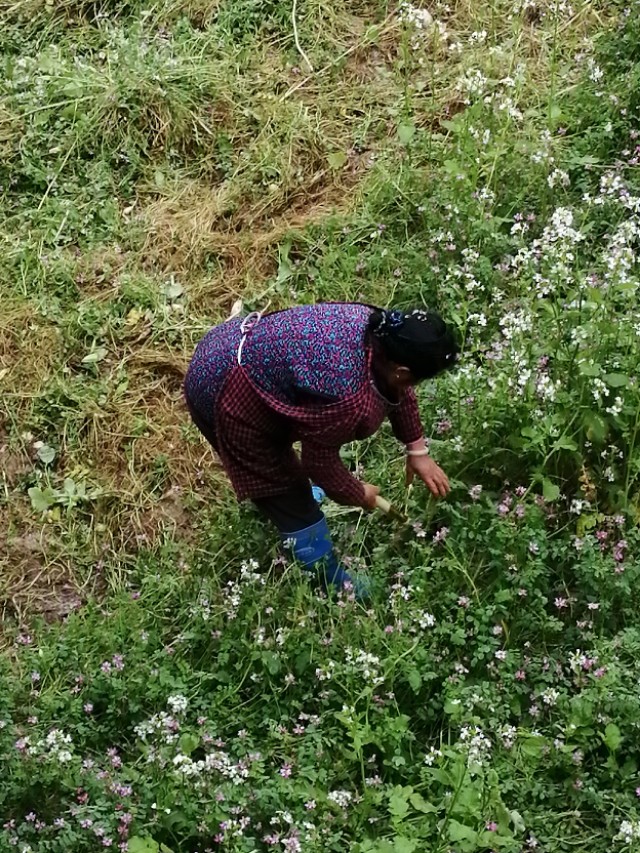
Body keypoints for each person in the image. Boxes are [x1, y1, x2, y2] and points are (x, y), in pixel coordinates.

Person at [183, 302, 458, 599]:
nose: (412, 385)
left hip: (232, 345)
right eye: (417, 379)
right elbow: (319, 463)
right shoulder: (347, 396)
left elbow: (397, 389)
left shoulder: (376, 327)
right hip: (221, 386)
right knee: (283, 486)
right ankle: (328, 580)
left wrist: (417, 450)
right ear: (402, 372)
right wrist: (356, 493)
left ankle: (293, 515)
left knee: (292, 476)